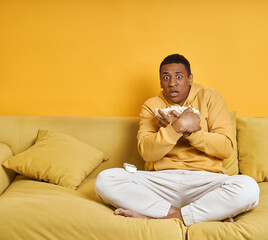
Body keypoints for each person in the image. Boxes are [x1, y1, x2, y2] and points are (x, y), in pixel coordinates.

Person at [95, 54, 259, 226]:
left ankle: (155, 217)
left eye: (179, 76)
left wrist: (191, 133)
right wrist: (176, 128)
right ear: (160, 82)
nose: (172, 83)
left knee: (249, 187)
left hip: (205, 181)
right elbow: (147, 153)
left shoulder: (210, 97)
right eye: (166, 77)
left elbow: (226, 148)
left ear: (190, 79)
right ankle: (195, 213)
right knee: (105, 180)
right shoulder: (152, 105)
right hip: (161, 182)